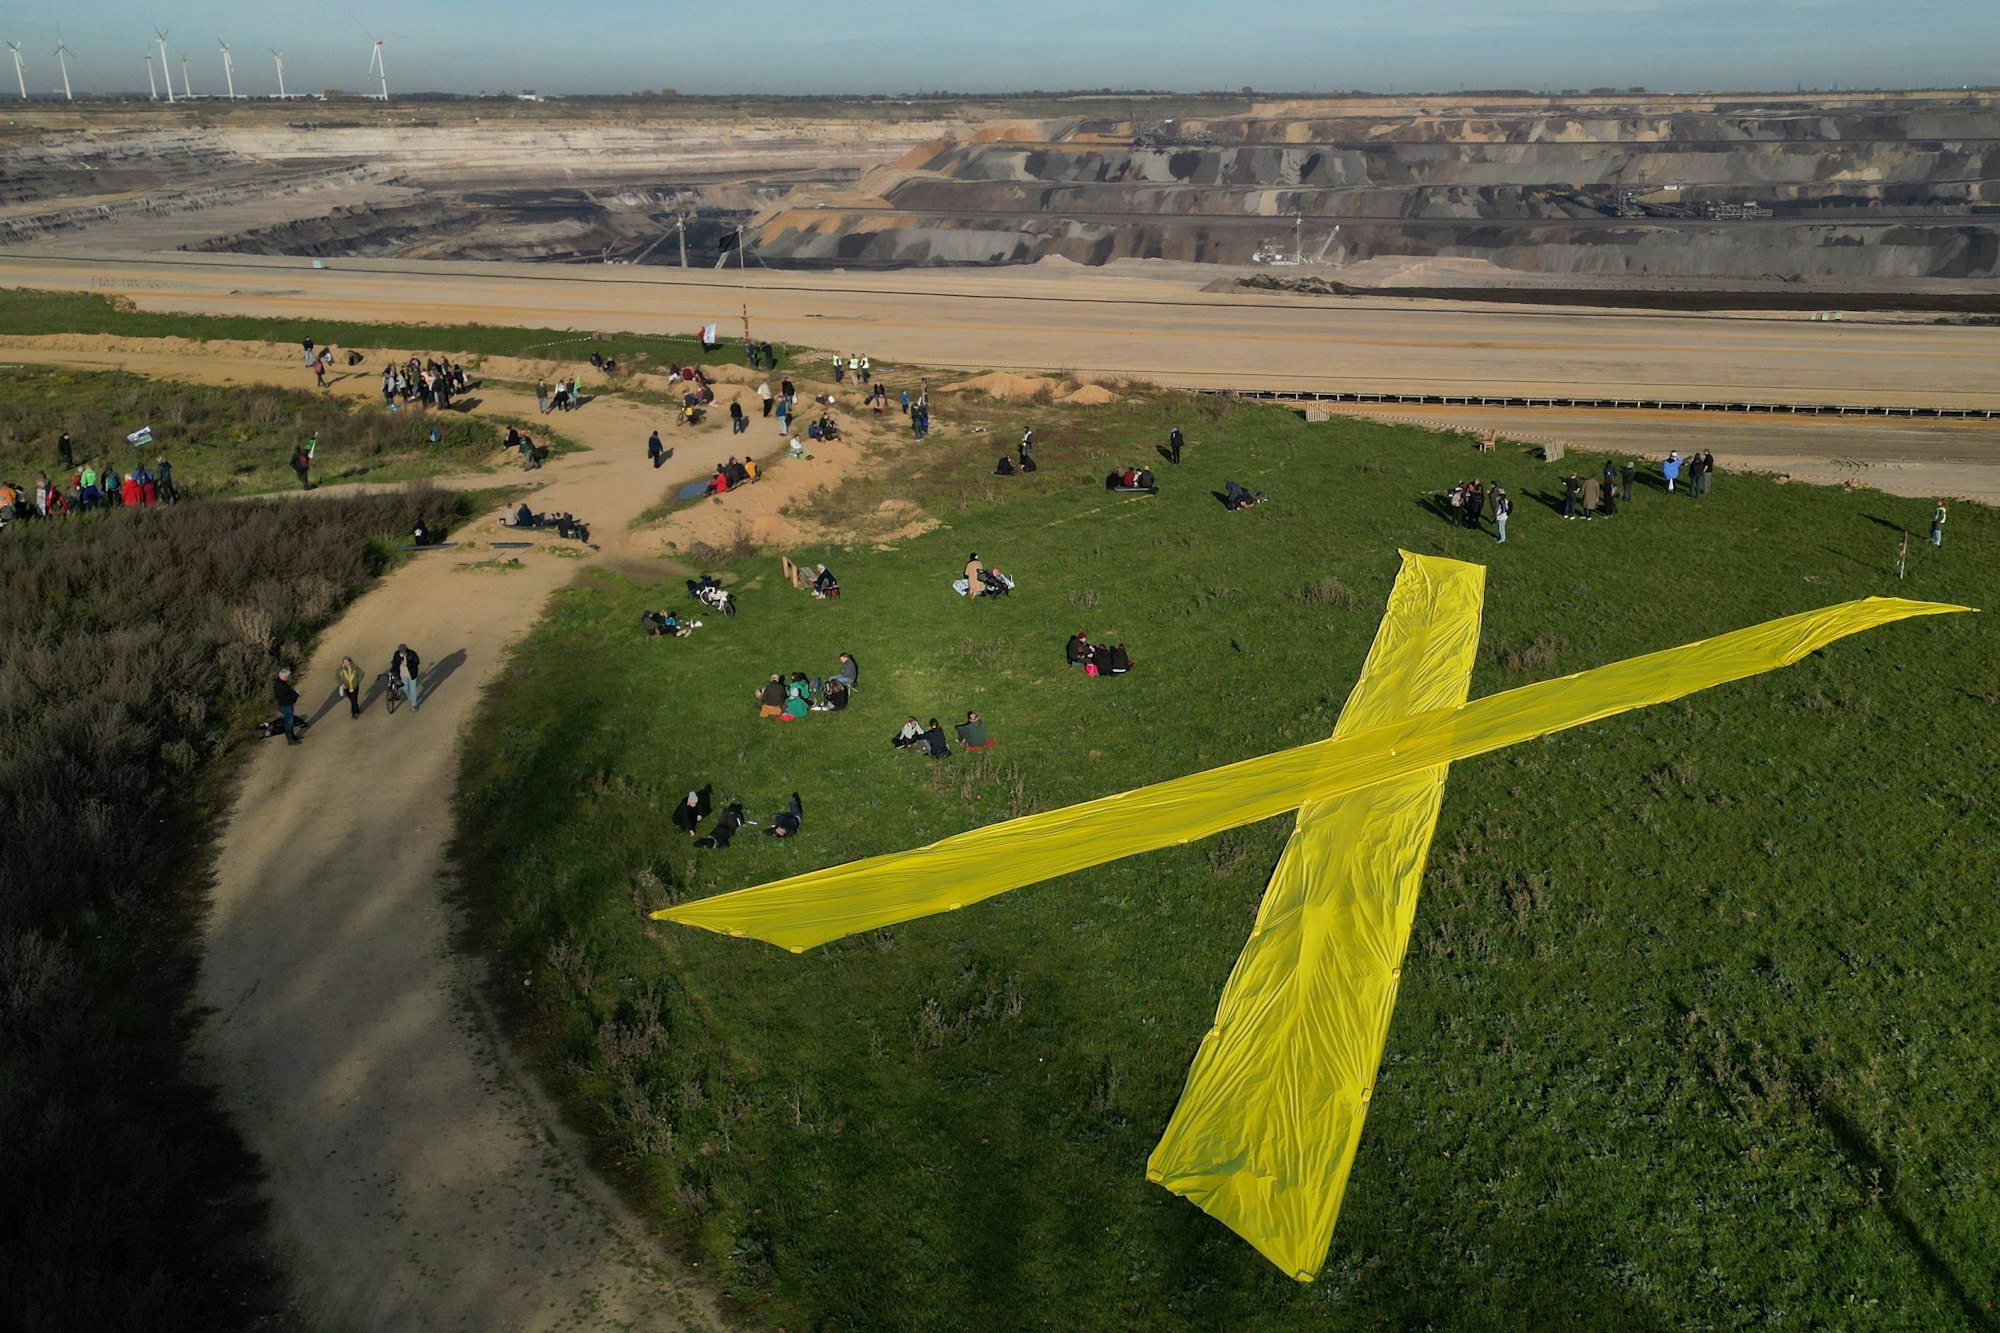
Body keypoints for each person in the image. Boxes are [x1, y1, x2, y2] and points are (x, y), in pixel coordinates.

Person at [274, 667, 302, 745]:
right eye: (287, 676)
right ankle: (290, 739)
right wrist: (296, 694)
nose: (288, 678)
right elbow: (286, 697)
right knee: (288, 722)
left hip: (285, 705)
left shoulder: (279, 683)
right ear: (284, 676)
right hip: (286, 705)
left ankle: (292, 737)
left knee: (290, 720)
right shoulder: (281, 686)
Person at [391, 643, 421, 712]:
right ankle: (411, 698)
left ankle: (414, 705)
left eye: (403, 651)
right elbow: (395, 663)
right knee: (405, 688)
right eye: (401, 651)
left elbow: (417, 662)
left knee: (412, 689)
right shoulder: (396, 654)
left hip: (412, 674)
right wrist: (391, 671)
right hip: (402, 674)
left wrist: (407, 664)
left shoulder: (412, 653)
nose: (402, 652)